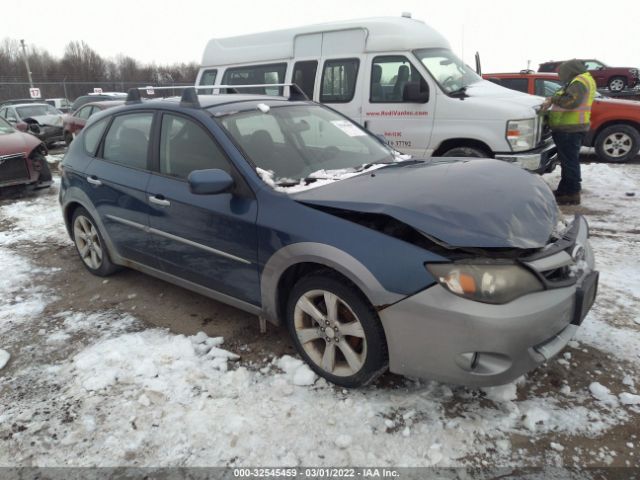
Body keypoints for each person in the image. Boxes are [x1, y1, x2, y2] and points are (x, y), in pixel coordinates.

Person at [541, 59, 597, 206]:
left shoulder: (579, 81)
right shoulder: (583, 79)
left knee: (570, 163)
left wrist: (553, 99)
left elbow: (571, 102)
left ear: (570, 70)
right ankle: (564, 191)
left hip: (570, 128)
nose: (561, 76)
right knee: (568, 162)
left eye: (562, 73)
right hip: (571, 127)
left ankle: (571, 194)